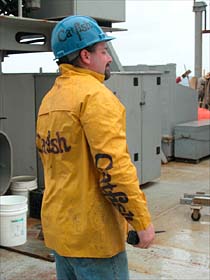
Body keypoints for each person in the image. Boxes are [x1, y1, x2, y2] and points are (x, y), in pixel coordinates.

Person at [36, 15, 155, 280]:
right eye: (103, 51)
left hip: (61, 231)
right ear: (86, 56)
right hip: (93, 238)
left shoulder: (50, 100)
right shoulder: (96, 97)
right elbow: (114, 170)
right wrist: (141, 221)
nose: (109, 57)